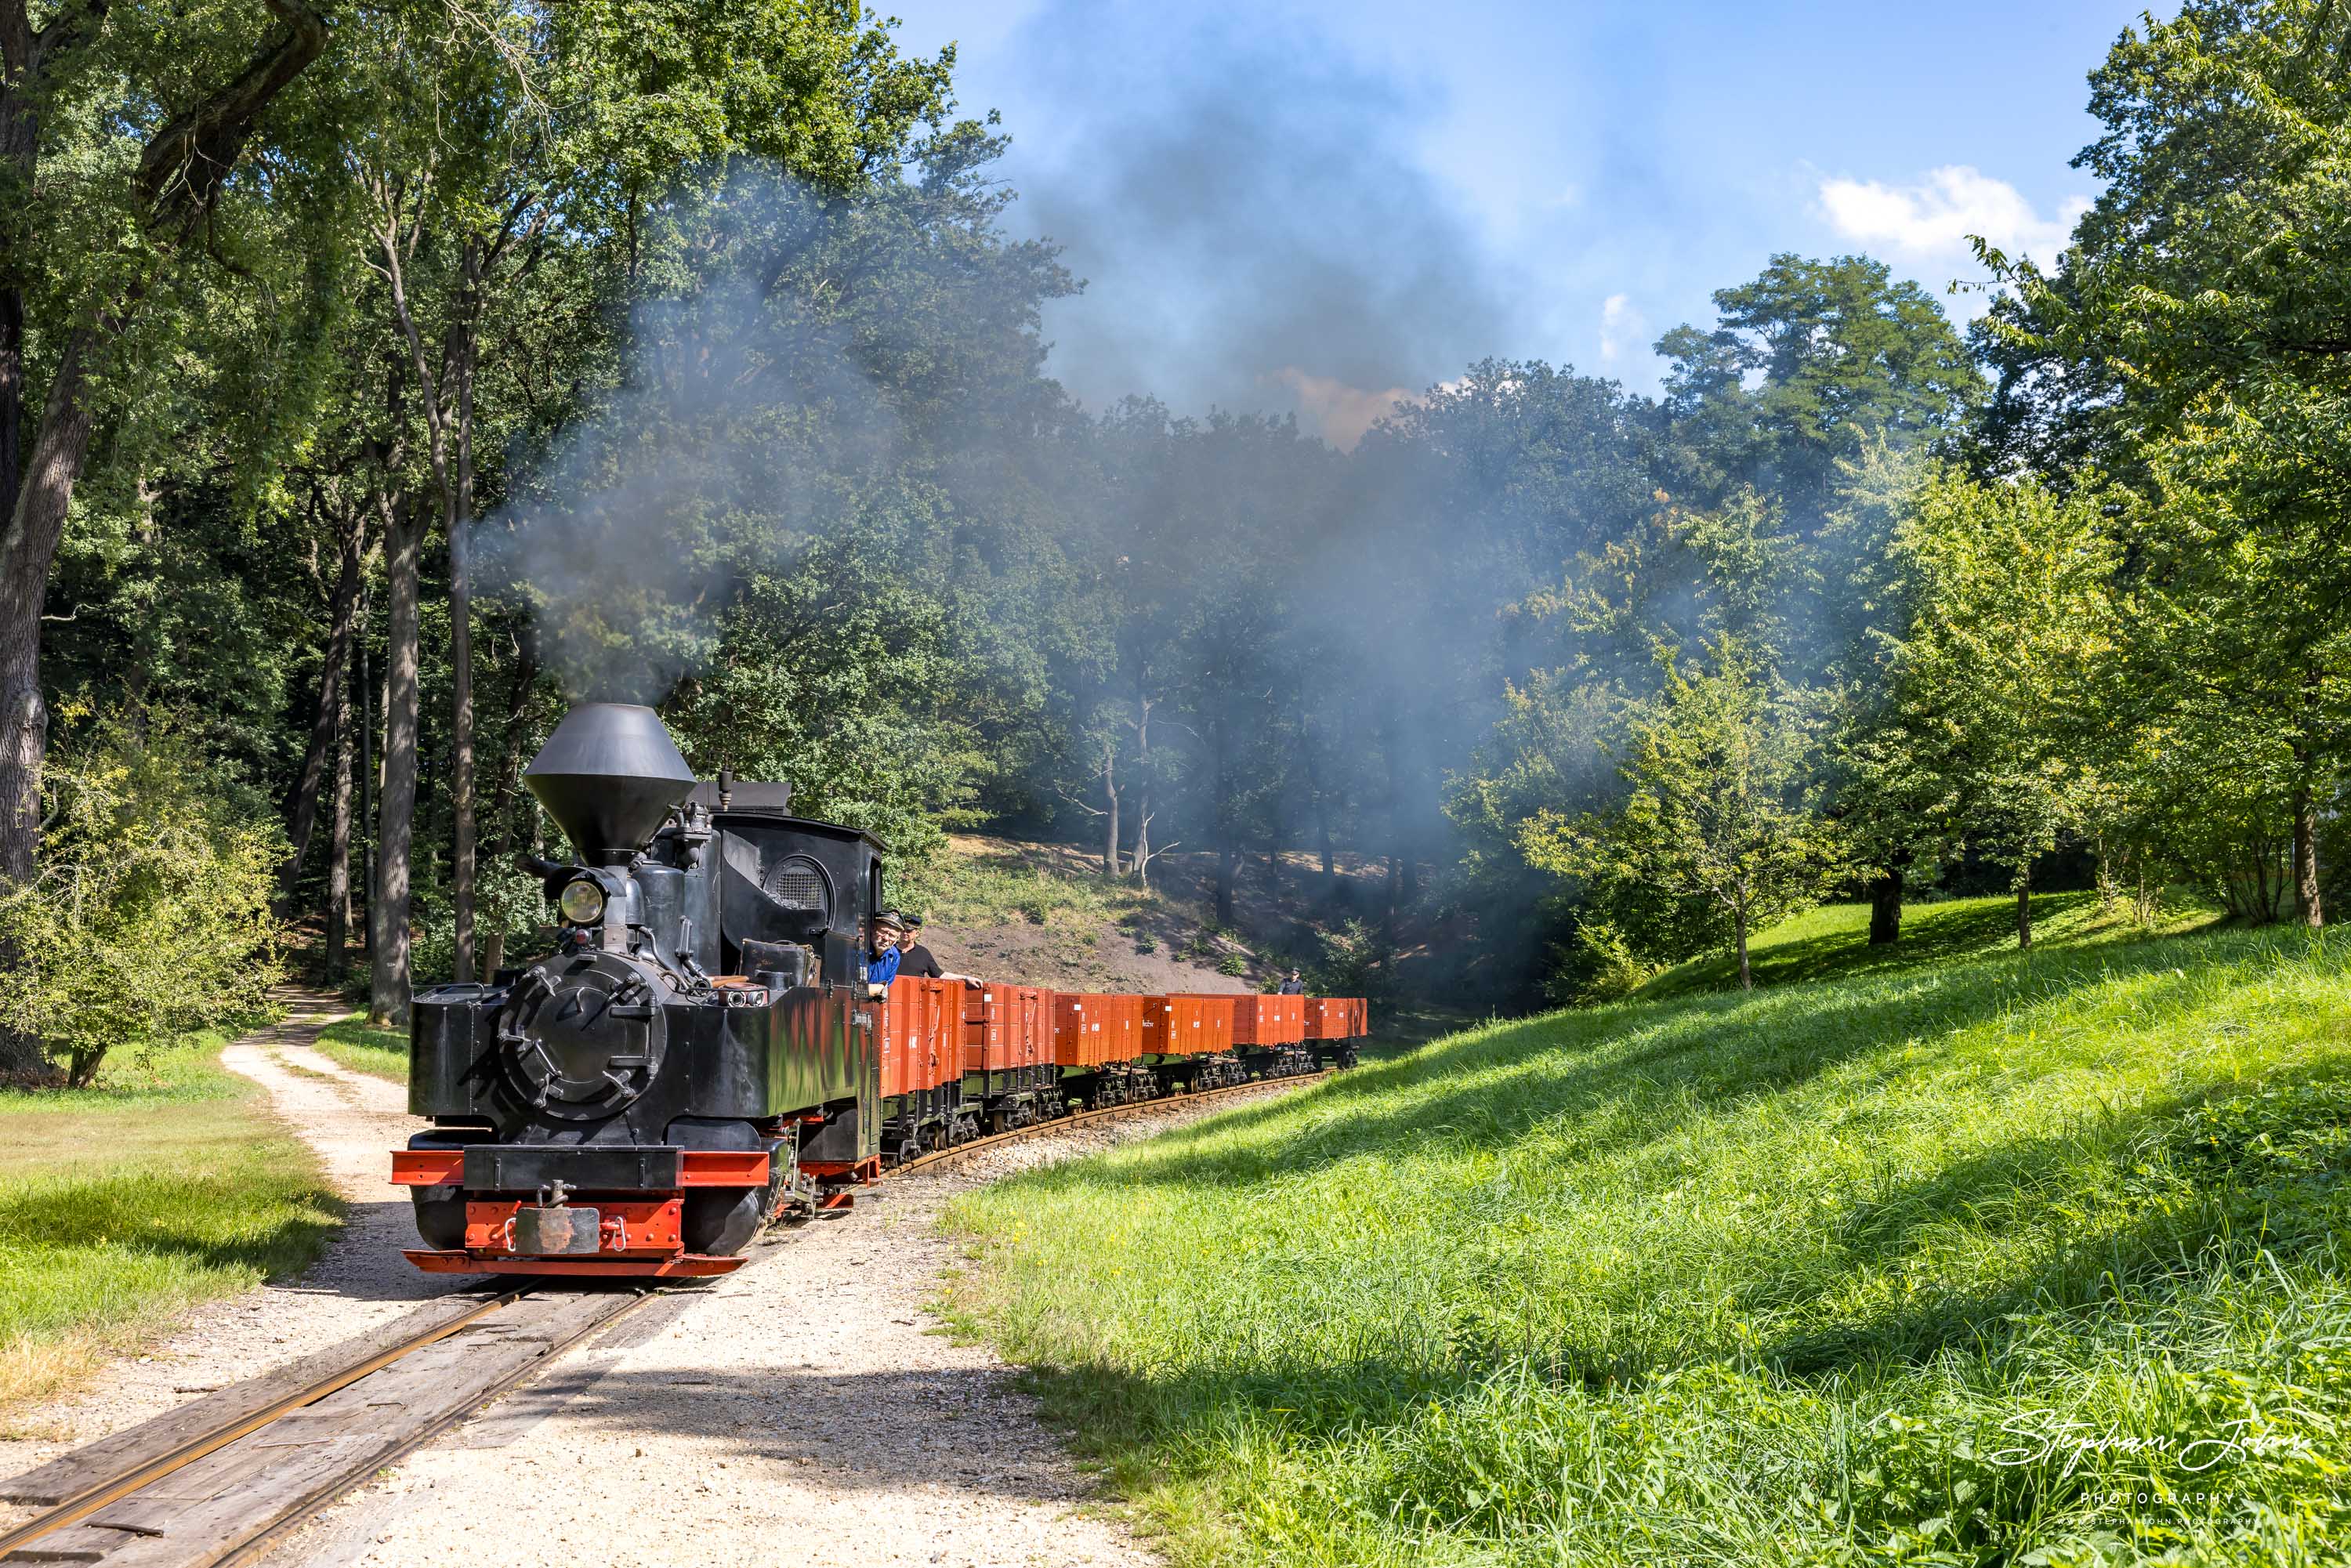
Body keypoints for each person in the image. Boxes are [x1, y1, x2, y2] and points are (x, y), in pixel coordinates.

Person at [897, 913, 978, 983]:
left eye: (908, 931)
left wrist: (966, 978)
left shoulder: (923, 954)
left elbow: (941, 975)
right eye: (902, 930)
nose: (905, 933)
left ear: (917, 934)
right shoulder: (889, 950)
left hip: (913, 999)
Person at [866, 911, 905, 997]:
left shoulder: (894, 956)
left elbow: (885, 989)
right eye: (883, 932)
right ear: (872, 929)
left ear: (896, 940)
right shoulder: (858, 949)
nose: (886, 938)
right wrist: (878, 988)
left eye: (892, 935)